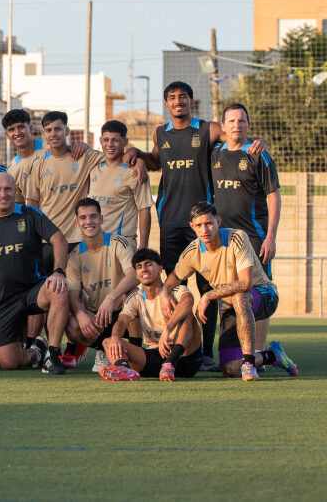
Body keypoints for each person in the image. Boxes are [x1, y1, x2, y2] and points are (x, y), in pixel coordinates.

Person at [126, 81, 266, 370]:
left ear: (191, 101)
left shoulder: (207, 128)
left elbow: (234, 130)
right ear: (166, 104)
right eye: (172, 98)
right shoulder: (160, 132)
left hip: (202, 223)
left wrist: (258, 140)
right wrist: (135, 155)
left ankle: (206, 354)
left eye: (183, 97)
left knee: (208, 288)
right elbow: (155, 160)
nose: (178, 102)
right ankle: (176, 347)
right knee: (172, 285)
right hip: (170, 221)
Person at [0, 172, 71, 374]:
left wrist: (59, 271)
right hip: (4, 300)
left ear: (15, 191)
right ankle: (37, 352)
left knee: (58, 289)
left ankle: (53, 354)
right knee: (9, 362)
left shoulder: (30, 213)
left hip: (34, 290)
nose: (3, 194)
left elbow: (59, 239)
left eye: (8, 189)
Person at [165, 202, 296, 380]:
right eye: (199, 225)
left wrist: (208, 295)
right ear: (192, 227)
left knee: (240, 297)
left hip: (263, 294)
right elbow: (174, 277)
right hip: (230, 306)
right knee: (230, 369)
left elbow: (245, 283)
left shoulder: (236, 238)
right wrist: (165, 294)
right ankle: (272, 355)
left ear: (218, 221)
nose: (205, 229)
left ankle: (249, 364)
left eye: (209, 223)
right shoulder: (193, 252)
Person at [211, 103, 280, 352]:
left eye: (241, 121)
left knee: (258, 292)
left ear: (248, 125)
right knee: (229, 292)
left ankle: (259, 351)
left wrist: (270, 236)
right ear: (223, 127)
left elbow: (273, 195)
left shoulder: (257, 153)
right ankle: (235, 352)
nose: (236, 126)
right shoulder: (215, 154)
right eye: (231, 121)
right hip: (225, 241)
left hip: (254, 237)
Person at [97, 248, 205, 382]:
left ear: (160, 268)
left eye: (148, 264)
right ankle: (124, 370)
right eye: (139, 267)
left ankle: (170, 364)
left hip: (185, 357)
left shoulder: (175, 290)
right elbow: (122, 321)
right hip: (156, 355)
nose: (144, 269)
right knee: (108, 342)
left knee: (187, 314)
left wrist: (168, 328)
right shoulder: (135, 298)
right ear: (136, 275)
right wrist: (115, 337)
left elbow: (188, 301)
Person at [62, 198, 139, 369]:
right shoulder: (74, 256)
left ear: (101, 219)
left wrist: (111, 297)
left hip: (123, 311)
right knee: (71, 323)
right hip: (99, 317)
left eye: (93, 217)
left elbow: (134, 275)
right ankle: (103, 349)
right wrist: (81, 314)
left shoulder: (118, 242)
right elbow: (73, 296)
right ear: (76, 222)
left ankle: (136, 352)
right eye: (83, 218)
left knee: (133, 293)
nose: (89, 222)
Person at [25, 111, 106, 247]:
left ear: (67, 131)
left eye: (58, 129)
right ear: (44, 134)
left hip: (78, 238)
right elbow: (33, 203)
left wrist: (135, 156)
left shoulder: (84, 156)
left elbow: (114, 158)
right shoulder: (38, 164)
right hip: (48, 239)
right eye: (48, 130)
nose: (53, 134)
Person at [89, 120, 153, 249]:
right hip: (95, 243)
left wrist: (143, 245)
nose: (110, 145)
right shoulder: (93, 168)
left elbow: (144, 209)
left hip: (122, 245)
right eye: (106, 140)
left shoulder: (135, 171)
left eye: (115, 140)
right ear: (100, 141)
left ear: (125, 142)